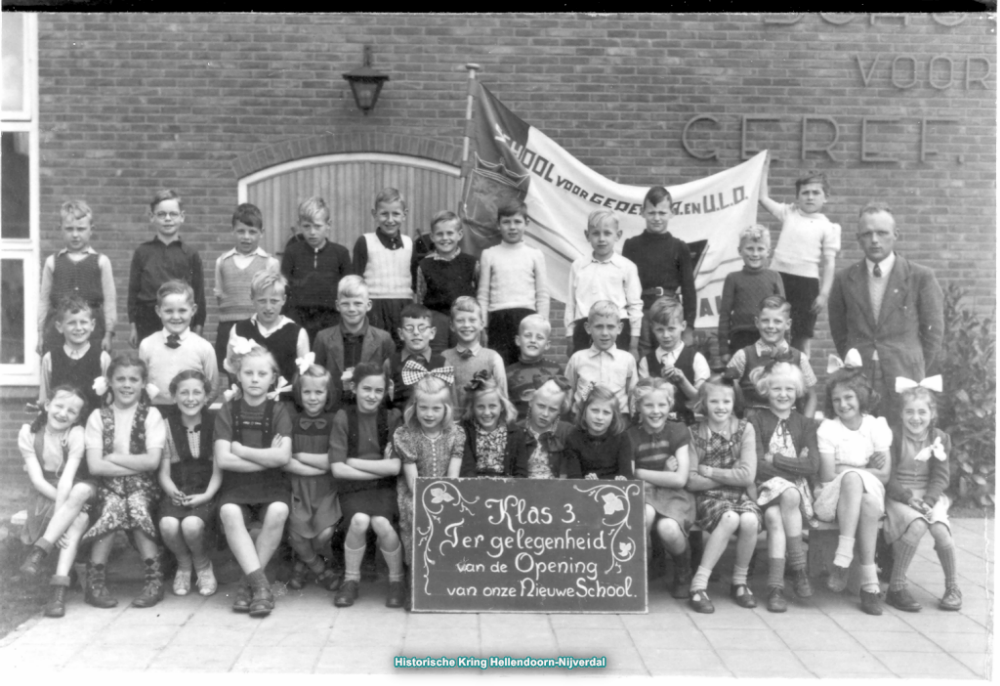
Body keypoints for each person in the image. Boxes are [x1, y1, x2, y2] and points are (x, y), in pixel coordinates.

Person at [828, 201, 945, 418]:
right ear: (858, 238)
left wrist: (912, 363)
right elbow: (839, 330)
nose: (874, 240)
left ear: (895, 234)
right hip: (860, 374)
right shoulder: (844, 279)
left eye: (882, 233)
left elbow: (934, 333)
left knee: (901, 438)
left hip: (904, 373)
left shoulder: (920, 277)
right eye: (867, 234)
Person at [81, 354, 167, 609]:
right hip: (107, 486)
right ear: (109, 382)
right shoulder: (98, 416)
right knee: (112, 507)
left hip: (145, 485)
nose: (127, 385)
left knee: (137, 504)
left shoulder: (151, 415)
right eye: (120, 379)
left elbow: (152, 462)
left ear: (143, 383)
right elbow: (95, 465)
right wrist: (132, 463)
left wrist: (115, 458)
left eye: (133, 379)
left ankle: (154, 580)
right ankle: (95, 580)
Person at [215, 344, 293, 618]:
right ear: (239, 376)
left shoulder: (279, 410)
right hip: (237, 486)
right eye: (249, 373)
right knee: (228, 511)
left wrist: (242, 450)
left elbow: (283, 457)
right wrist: (265, 456)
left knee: (279, 510)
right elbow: (223, 460)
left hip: (272, 484)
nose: (255, 379)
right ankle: (259, 586)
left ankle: (247, 587)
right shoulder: (228, 410)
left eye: (262, 373)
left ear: (273, 377)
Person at [814, 359, 892, 615]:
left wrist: (850, 470)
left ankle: (863, 579)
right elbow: (826, 474)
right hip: (832, 498)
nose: (843, 404)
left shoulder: (875, 426)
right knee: (851, 479)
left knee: (868, 502)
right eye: (836, 400)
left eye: (848, 397)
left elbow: (885, 474)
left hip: (869, 494)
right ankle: (857, 568)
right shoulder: (828, 428)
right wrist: (862, 470)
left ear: (860, 396)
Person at [329, 363, 405, 609]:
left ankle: (396, 581)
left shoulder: (392, 417)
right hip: (353, 489)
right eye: (367, 389)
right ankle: (351, 579)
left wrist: (354, 462)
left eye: (378, 390)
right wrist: (374, 469)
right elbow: (338, 468)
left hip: (384, 488)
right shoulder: (344, 417)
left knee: (382, 523)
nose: (372, 395)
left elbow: (394, 467)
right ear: (354, 388)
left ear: (385, 392)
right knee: (359, 520)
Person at [883, 378, 961, 612]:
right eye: (909, 412)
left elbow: (940, 477)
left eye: (921, 412)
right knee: (917, 525)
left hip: (929, 494)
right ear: (901, 413)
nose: (915, 418)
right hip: (900, 495)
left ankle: (952, 587)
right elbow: (889, 476)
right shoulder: (894, 436)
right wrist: (908, 498)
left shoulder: (939, 438)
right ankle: (896, 587)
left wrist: (928, 501)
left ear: (932, 413)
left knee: (939, 528)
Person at [685, 376, 761, 614]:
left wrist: (711, 470)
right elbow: (691, 480)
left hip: (740, 496)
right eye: (714, 401)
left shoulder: (744, 429)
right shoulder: (694, 433)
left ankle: (739, 582)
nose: (721, 407)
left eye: (726, 401)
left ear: (734, 402)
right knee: (730, 518)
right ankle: (698, 585)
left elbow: (747, 476)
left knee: (749, 519)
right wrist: (731, 473)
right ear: (703, 403)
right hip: (707, 497)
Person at [748, 361, 819, 612]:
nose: (783, 394)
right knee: (788, 493)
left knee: (775, 517)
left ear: (797, 391)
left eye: (789, 389)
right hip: (765, 488)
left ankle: (775, 587)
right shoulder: (756, 420)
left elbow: (812, 465)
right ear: (766, 391)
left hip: (795, 495)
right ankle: (799, 569)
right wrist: (794, 464)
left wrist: (776, 459)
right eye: (776, 389)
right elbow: (756, 466)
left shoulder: (805, 424)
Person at [17, 386, 90, 618]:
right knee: (79, 519)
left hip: (74, 488)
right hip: (45, 490)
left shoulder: (76, 434)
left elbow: (68, 479)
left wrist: (59, 515)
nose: (63, 413)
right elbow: (37, 480)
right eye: (59, 406)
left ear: (78, 417)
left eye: (71, 411)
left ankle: (39, 554)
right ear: (47, 405)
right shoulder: (28, 433)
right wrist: (63, 516)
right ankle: (58, 591)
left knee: (77, 498)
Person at [759, 162, 841, 356]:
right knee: (771, 330)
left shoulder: (829, 227)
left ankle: (801, 381)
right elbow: (762, 198)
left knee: (801, 336)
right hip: (777, 279)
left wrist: (823, 294)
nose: (810, 197)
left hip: (806, 285)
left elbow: (829, 263)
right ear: (797, 196)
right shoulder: (789, 213)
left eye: (815, 192)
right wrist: (763, 169)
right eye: (805, 192)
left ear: (825, 197)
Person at [393, 375, 465, 598]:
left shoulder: (455, 434)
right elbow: (413, 481)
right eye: (423, 407)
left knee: (454, 519)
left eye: (436, 408)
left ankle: (444, 578)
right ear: (415, 407)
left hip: (446, 494)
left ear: (446, 409)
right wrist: (430, 505)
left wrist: (446, 503)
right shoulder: (406, 435)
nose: (429, 414)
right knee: (418, 518)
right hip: (416, 495)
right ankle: (414, 581)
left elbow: (453, 475)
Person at [628, 378, 695, 600]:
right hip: (644, 494)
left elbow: (679, 480)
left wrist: (641, 473)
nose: (656, 411)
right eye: (648, 405)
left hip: (674, 496)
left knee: (668, 528)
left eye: (661, 405)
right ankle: (635, 573)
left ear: (670, 406)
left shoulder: (677, 431)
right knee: (643, 515)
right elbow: (629, 475)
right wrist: (663, 473)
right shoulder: (630, 435)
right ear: (638, 406)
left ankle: (683, 570)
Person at [157, 370, 221, 597]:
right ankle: (183, 564)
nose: (190, 398)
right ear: (174, 396)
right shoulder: (166, 425)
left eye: (197, 392)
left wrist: (207, 495)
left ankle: (202, 564)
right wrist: (172, 491)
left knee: (192, 526)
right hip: (178, 487)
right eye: (184, 392)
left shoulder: (216, 422)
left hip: (207, 489)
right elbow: (164, 472)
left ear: (206, 397)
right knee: (168, 525)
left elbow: (218, 469)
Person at [284, 365, 342, 593]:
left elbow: (335, 459)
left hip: (326, 489)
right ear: (299, 393)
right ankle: (318, 568)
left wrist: (300, 456)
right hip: (298, 487)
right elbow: (284, 460)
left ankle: (302, 562)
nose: (313, 397)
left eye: (319, 392)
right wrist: (318, 467)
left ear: (328, 393)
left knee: (325, 532)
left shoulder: (336, 420)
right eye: (307, 392)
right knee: (296, 533)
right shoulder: (290, 419)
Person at [622, 186, 697, 358]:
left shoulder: (679, 247)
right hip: (640, 315)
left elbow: (689, 290)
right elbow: (623, 290)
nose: (657, 218)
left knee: (671, 361)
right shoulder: (632, 245)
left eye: (662, 213)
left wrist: (689, 328)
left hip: (670, 313)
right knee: (642, 361)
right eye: (652, 212)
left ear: (672, 213)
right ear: (642, 213)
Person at [128, 189, 206, 346]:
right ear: (152, 217)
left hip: (180, 319)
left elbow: (199, 295)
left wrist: (198, 328)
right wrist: (133, 326)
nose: (168, 219)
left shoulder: (190, 254)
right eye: (162, 214)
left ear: (182, 217)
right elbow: (133, 293)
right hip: (148, 319)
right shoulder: (142, 252)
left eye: (173, 214)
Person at [38, 200, 116, 355]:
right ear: (60, 229)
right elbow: (44, 301)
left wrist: (108, 334)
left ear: (91, 230)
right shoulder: (52, 262)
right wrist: (40, 334)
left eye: (81, 229)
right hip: (58, 330)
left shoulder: (101, 262)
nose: (75, 234)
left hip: (93, 330)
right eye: (69, 229)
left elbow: (109, 302)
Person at [477, 200, 550, 366]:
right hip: (498, 319)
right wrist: (483, 326)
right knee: (500, 365)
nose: (512, 227)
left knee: (528, 364)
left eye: (517, 222)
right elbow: (483, 294)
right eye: (506, 222)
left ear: (526, 223)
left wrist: (542, 323)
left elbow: (542, 294)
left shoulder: (535, 255)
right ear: (498, 225)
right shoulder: (489, 254)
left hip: (527, 317)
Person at [565, 209, 642, 358]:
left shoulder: (627, 267)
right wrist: (570, 337)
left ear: (617, 235)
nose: (601, 239)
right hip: (584, 328)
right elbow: (571, 303)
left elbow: (635, 305)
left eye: (607, 233)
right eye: (595, 233)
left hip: (617, 329)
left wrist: (633, 343)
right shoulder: (578, 266)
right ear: (587, 235)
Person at [214, 203, 280, 374]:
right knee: (232, 374)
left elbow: (273, 298)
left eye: (252, 232)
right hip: (228, 326)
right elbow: (220, 294)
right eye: (241, 231)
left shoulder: (269, 263)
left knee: (257, 371)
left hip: (256, 326)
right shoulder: (222, 262)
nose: (246, 237)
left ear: (261, 233)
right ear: (232, 231)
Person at [725, 295, 817, 417]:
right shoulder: (743, 356)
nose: (771, 326)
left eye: (777, 321)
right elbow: (725, 392)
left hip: (788, 428)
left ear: (788, 324)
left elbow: (812, 397)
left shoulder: (799, 358)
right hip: (752, 429)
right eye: (765, 320)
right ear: (757, 322)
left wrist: (805, 426)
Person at [313, 275, 395, 410]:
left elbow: (388, 381)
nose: (351, 309)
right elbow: (317, 380)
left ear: (368, 305)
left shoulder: (383, 339)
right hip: (334, 410)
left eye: (357, 303)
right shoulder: (323, 338)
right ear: (337, 305)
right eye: (345, 303)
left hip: (371, 411)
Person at [280, 196, 352, 345]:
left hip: (331, 321)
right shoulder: (292, 253)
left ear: (329, 225)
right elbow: (284, 290)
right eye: (306, 226)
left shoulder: (341, 254)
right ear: (299, 225)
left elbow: (348, 291)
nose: (312, 232)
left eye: (317, 226)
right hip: (298, 320)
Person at [139, 280, 219, 406]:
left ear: (193, 310)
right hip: (156, 415)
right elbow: (142, 383)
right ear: (158, 311)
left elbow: (212, 389)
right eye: (169, 311)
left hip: (192, 414)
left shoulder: (204, 348)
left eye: (182, 310)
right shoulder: (147, 345)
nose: (176, 317)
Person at [353, 187, 414, 350]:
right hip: (375, 309)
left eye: (395, 214)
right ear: (374, 214)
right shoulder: (365, 242)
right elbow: (356, 281)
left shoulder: (409, 243)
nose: (390, 219)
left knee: (402, 353)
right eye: (384, 214)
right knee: (375, 351)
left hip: (403, 307)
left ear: (404, 214)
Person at [227, 270, 309, 388]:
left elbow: (304, 377)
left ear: (284, 300)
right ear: (252, 299)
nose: (268, 307)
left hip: (286, 404)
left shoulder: (297, 333)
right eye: (262, 301)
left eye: (274, 301)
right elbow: (232, 371)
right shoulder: (239, 330)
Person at [638, 295, 710, 426]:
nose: (666, 335)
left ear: (683, 326)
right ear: (652, 328)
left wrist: (682, 381)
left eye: (671, 329)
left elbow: (702, 399)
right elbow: (643, 399)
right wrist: (660, 383)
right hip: (657, 426)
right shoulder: (646, 362)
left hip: (690, 426)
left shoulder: (696, 359)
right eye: (660, 329)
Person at [718, 223, 785, 361]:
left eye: (760, 249)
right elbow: (724, 315)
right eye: (749, 248)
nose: (755, 254)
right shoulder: (733, 278)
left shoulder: (774, 277)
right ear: (740, 250)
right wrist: (724, 349)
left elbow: (783, 313)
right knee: (742, 379)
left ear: (768, 251)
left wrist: (784, 344)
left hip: (768, 337)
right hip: (740, 338)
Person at [415, 210, 479, 354]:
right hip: (437, 325)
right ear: (432, 236)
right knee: (439, 362)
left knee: (465, 359)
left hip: (464, 322)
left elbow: (479, 296)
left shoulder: (471, 263)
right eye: (439, 234)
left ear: (459, 235)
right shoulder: (424, 265)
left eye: (450, 233)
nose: (445, 238)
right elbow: (420, 300)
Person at [565, 301, 637, 421]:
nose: (604, 333)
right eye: (599, 326)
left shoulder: (627, 360)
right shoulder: (577, 359)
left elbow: (632, 396)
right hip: (582, 421)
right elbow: (568, 393)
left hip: (618, 422)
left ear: (619, 328)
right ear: (588, 328)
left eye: (610, 327)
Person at [38, 296, 111, 411]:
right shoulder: (50, 358)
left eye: (83, 322)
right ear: (59, 327)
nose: (78, 328)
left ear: (92, 325)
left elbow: (108, 399)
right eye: (71, 323)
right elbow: (44, 399)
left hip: (92, 425)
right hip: (61, 423)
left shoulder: (102, 358)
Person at [441, 296, 508, 410]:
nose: (466, 325)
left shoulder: (493, 358)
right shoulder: (445, 357)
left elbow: (503, 400)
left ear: (481, 324)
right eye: (460, 320)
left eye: (472, 320)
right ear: (452, 325)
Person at [458, 371, 528, 478]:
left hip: (507, 490)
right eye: (481, 406)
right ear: (472, 407)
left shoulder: (516, 433)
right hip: (474, 488)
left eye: (492, 406)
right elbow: (467, 468)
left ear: (502, 406)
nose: (487, 412)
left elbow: (521, 471)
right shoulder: (465, 431)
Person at [562, 385, 633, 480]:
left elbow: (627, 474)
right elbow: (574, 478)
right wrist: (589, 482)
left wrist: (622, 480)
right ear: (584, 411)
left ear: (613, 416)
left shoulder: (622, 437)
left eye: (606, 413)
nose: (600, 417)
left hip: (615, 490)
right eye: (595, 410)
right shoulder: (573, 437)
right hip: (584, 490)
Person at [386, 304, 447, 411]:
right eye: (409, 328)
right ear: (401, 334)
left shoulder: (443, 364)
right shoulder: (390, 364)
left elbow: (450, 403)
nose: (416, 332)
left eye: (422, 328)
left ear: (432, 333)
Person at [505, 314, 563, 421]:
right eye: (528, 335)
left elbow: (561, 404)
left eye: (539, 337)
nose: (533, 340)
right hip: (519, 429)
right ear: (518, 340)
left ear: (547, 345)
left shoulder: (555, 370)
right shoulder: (508, 373)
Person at [517, 376, 574, 480]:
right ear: (531, 402)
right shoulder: (517, 430)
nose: (545, 414)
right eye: (541, 406)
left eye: (552, 409)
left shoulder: (567, 431)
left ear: (560, 410)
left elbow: (568, 469)